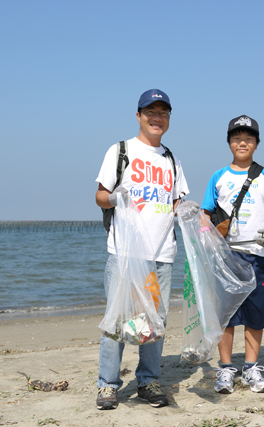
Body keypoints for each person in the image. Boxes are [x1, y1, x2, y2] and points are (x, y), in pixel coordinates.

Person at [94, 89, 190, 410]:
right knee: (117, 320)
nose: (156, 118)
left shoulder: (171, 159)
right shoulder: (120, 151)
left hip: (161, 255)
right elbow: (100, 196)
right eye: (151, 112)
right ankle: (108, 385)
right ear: (138, 116)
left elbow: (175, 202)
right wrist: (114, 197)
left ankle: (148, 381)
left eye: (163, 113)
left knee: (154, 322)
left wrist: (188, 212)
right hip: (125, 255)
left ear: (168, 119)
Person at [201, 115, 264, 394]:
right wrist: (203, 235)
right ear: (229, 143)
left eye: (248, 138)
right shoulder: (218, 177)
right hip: (225, 256)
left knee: (255, 314)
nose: (242, 143)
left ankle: (251, 367)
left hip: (258, 255)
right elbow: (206, 213)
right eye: (237, 138)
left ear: (256, 144)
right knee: (225, 315)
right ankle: (226, 369)